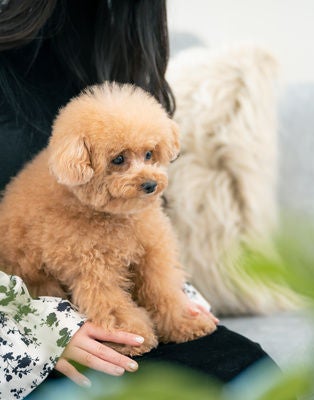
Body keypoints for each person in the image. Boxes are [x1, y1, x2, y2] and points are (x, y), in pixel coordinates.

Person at [0, 1, 278, 399]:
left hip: (95, 308)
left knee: (251, 375)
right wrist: (38, 325)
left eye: (148, 157)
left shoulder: (111, 37)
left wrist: (177, 301)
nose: (145, 173)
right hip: (20, 318)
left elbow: (148, 246)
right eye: (120, 160)